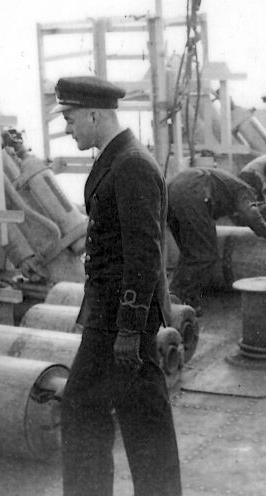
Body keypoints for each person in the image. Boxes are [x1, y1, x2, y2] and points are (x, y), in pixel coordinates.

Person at [55, 76, 181, 496]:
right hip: (110, 317)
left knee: (131, 418)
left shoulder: (131, 164)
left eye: (70, 118)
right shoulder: (117, 159)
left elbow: (145, 254)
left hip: (121, 322)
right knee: (107, 412)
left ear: (94, 115)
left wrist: (130, 328)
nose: (68, 128)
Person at [167, 166, 266, 311]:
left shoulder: (227, 183)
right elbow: (250, 215)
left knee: (190, 254)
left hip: (171, 189)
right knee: (205, 254)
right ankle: (179, 302)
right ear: (255, 192)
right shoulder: (243, 190)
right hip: (193, 192)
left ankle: (175, 299)